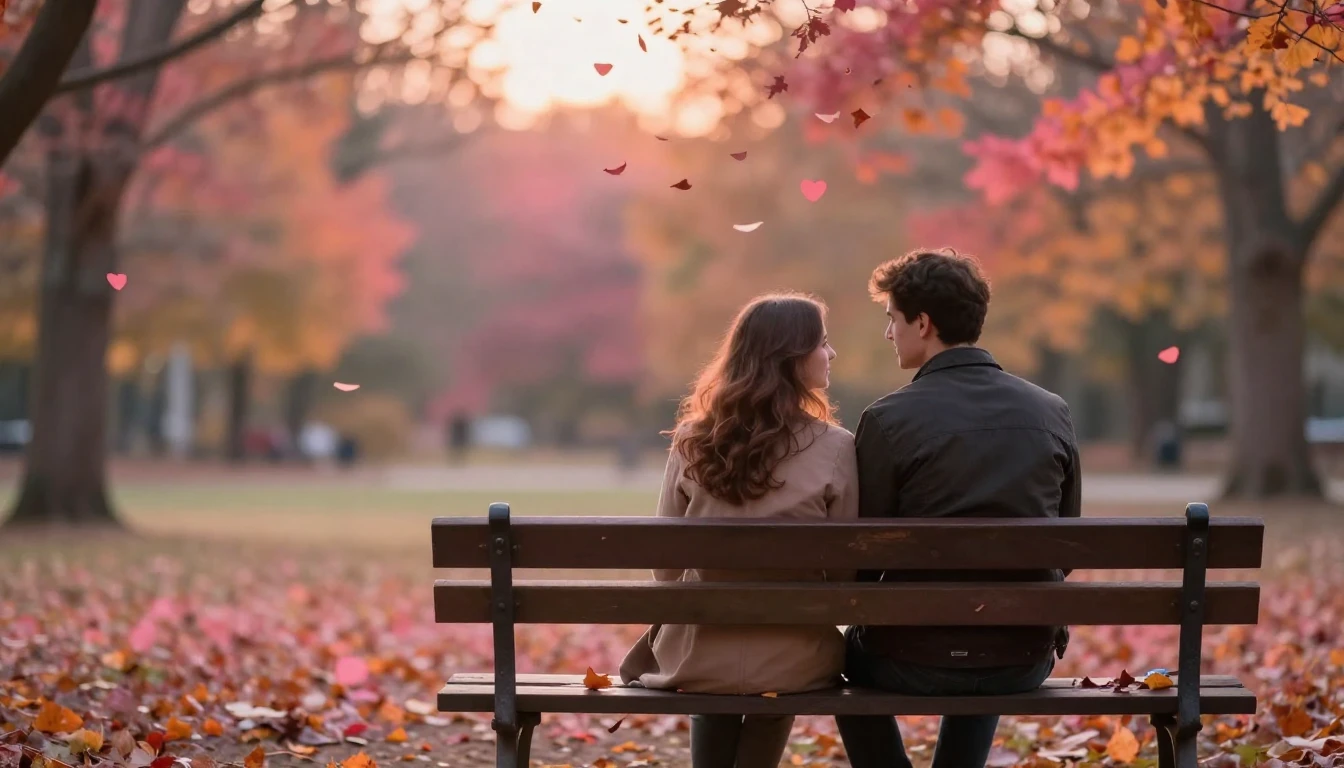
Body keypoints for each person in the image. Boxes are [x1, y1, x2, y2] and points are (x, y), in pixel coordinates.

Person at [835, 249, 1082, 768]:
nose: (888, 334)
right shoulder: (1050, 411)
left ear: (922, 323)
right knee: (989, 613)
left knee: (838, 659)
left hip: (909, 659)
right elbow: (1066, 543)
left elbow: (861, 560)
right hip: (1021, 657)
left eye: (892, 320)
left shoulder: (887, 419)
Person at [618, 293, 859, 768]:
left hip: (698, 656)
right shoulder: (837, 447)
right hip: (797, 657)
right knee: (777, 671)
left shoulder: (692, 441)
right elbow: (847, 575)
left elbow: (665, 572)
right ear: (791, 358)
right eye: (823, 344)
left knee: (714, 669)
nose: (831, 355)